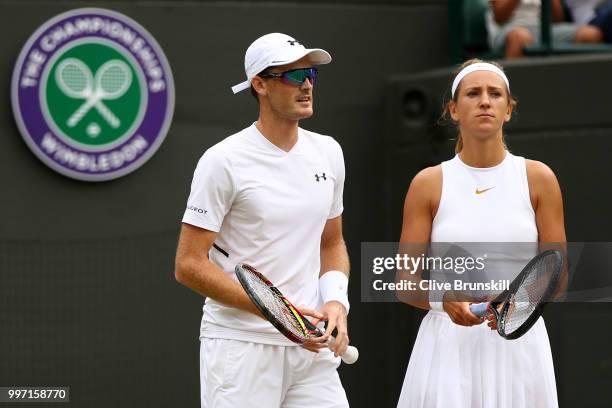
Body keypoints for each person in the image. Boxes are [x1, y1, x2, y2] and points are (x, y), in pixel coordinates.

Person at [174, 33, 351, 408]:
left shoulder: (329, 153)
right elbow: (188, 265)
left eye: (311, 75)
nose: (306, 84)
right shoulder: (222, 161)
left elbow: (331, 242)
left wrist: (336, 303)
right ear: (260, 85)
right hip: (241, 348)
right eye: (292, 76)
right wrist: (280, 314)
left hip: (311, 352)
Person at [396, 59, 566, 407]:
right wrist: (442, 299)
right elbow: (403, 281)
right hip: (448, 347)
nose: (485, 101)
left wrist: (518, 300)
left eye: (495, 94)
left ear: (508, 109)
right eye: (473, 93)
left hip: (519, 345)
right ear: (454, 110)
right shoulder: (428, 183)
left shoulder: (539, 179)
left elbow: (557, 278)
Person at [487, 0, 602, 58]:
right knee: (521, 38)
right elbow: (499, 17)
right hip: (510, 28)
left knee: (591, 34)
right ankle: (512, 98)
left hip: (542, 27)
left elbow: (557, 18)